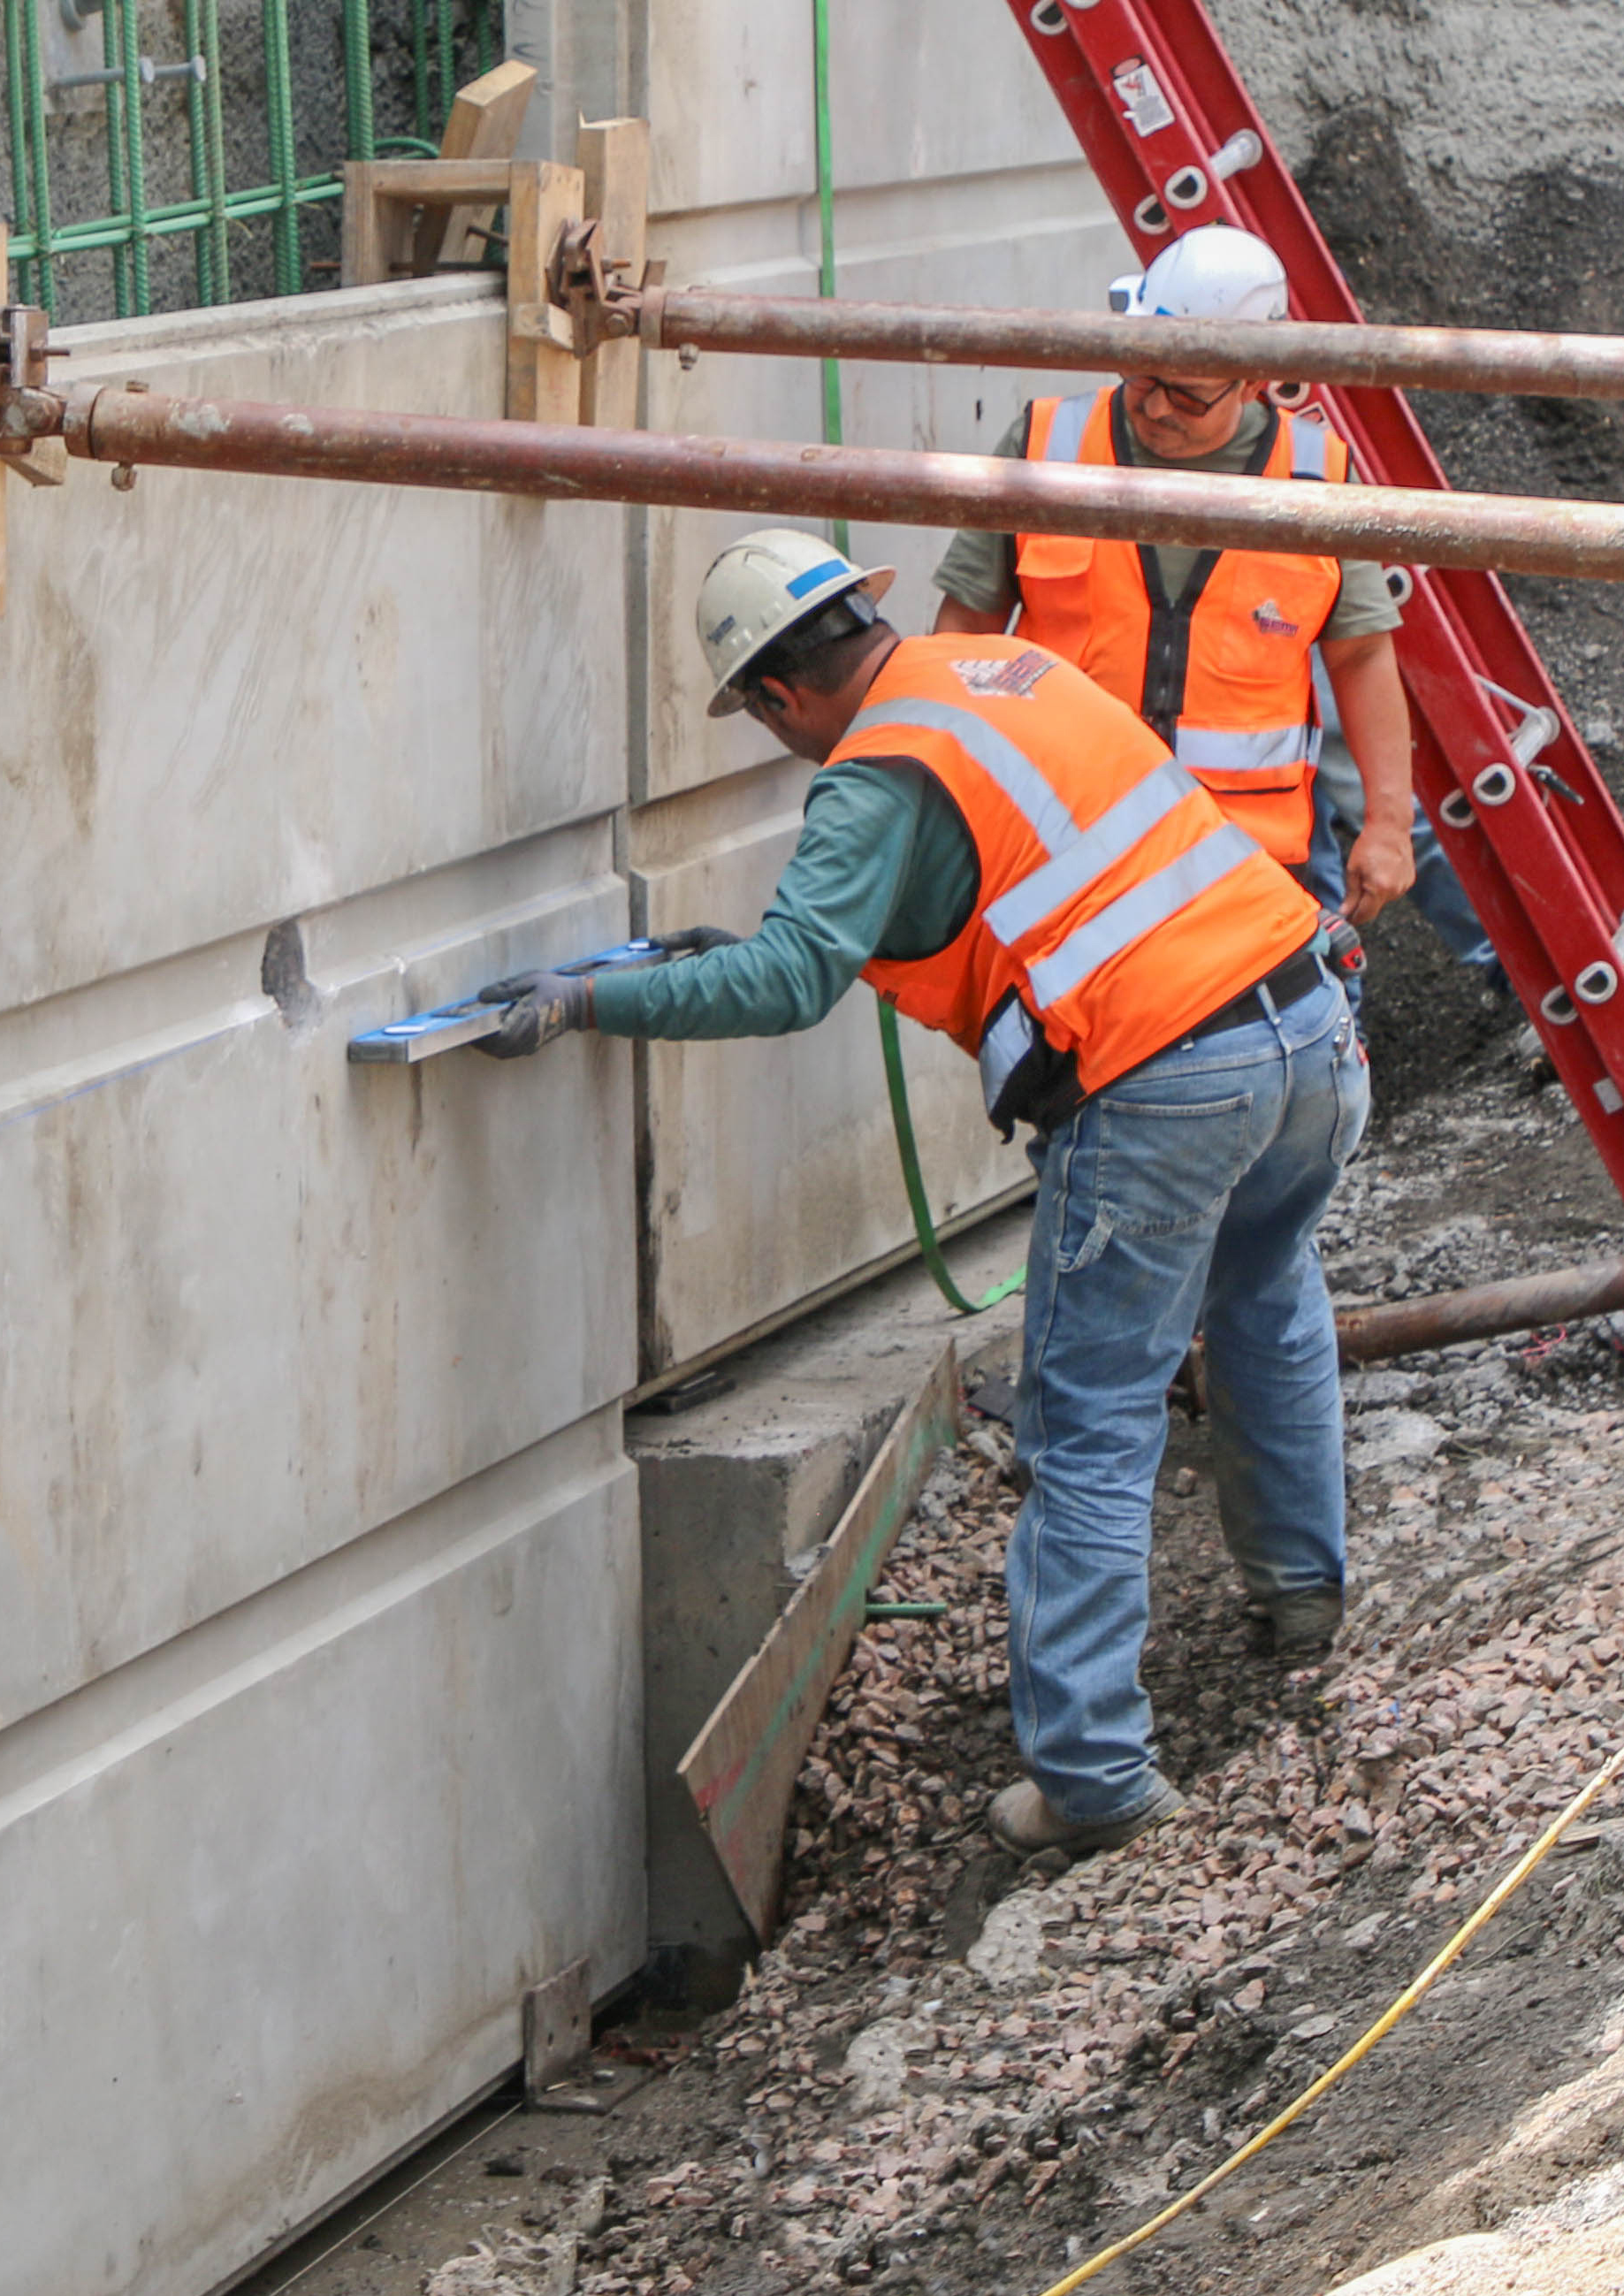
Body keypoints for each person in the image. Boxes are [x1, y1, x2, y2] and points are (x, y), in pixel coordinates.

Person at [480, 529, 1368, 1860]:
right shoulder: (991, 670)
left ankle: (1092, 1778)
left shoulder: (869, 775)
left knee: (1088, 1423)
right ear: (855, 617)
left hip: (1162, 1083)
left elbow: (792, 983)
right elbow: (977, 883)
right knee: (1264, 1302)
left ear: (777, 696)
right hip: (1304, 1029)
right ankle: (1301, 1599)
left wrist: (583, 1000)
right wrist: (736, 953)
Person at [925, 225, 1414, 934]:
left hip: (1241, 871)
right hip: (1059, 850)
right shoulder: (1048, 443)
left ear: (1253, 381)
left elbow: (1363, 656)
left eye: (1186, 395)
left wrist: (1390, 823)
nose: (1153, 407)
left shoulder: (1317, 476)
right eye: (1142, 374)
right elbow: (962, 632)